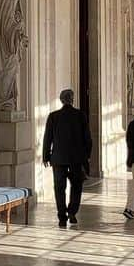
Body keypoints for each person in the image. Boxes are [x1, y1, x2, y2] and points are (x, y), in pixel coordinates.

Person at [42, 88, 92, 227]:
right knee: (76, 186)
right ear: (72, 99)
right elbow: (87, 138)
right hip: (76, 159)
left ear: (61, 100)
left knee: (59, 188)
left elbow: (48, 138)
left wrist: (46, 156)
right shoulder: (80, 115)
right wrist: (86, 156)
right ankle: (72, 212)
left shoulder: (53, 116)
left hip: (58, 158)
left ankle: (62, 217)